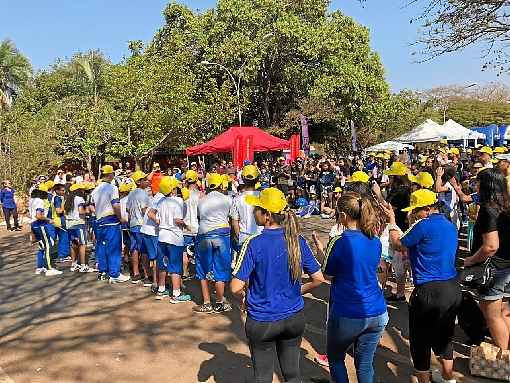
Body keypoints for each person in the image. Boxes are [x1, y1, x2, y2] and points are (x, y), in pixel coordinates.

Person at [231, 187, 324, 383]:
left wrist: (246, 296)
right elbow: (318, 279)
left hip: (263, 320)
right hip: (294, 318)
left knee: (263, 377)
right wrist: (298, 292)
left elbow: (235, 287)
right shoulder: (297, 240)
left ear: (267, 215)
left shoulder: (253, 243)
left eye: (256, 208)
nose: (253, 211)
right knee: (292, 374)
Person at [383, 189, 461, 383]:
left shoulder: (423, 226)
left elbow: (397, 244)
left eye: (416, 210)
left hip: (428, 291)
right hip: (452, 288)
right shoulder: (450, 225)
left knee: (420, 342)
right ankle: (448, 378)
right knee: (445, 336)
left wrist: (392, 221)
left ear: (426, 209)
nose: (413, 214)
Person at [322, 193, 387, 383]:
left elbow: (327, 274)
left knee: (335, 359)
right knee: (365, 363)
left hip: (347, 312)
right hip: (377, 311)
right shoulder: (374, 240)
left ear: (343, 215)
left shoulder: (339, 241)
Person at [464, 168, 510, 351]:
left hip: (494, 270)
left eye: (478, 182)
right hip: (506, 268)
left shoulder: (489, 209)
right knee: (504, 314)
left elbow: (491, 246)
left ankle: (505, 359)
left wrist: (471, 260)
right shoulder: (506, 206)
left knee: (493, 316)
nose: (475, 185)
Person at [193, 173, 233, 314]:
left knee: (203, 269)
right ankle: (220, 302)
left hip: (204, 234)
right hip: (222, 234)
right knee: (220, 269)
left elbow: (199, 216)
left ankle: (206, 303)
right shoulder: (227, 199)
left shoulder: (202, 200)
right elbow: (231, 216)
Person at [154, 176, 192, 303]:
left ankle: (161, 289)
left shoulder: (160, 202)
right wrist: (186, 225)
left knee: (163, 264)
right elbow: (177, 220)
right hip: (174, 238)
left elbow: (158, 219)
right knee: (175, 266)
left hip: (162, 237)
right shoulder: (177, 201)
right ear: (172, 189)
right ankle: (176, 294)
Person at [91, 165, 129, 283]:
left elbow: (92, 206)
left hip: (99, 221)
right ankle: (114, 273)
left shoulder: (95, 189)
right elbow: (116, 205)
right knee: (114, 247)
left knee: (102, 247)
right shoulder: (112, 188)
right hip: (111, 220)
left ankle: (103, 272)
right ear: (110, 175)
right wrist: (121, 218)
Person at [30, 183, 62, 276]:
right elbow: (39, 215)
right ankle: (49, 268)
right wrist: (49, 220)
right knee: (48, 245)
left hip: (34, 224)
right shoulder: (40, 201)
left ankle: (40, 267)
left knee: (41, 247)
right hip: (41, 225)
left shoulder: (32, 200)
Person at [230, 164, 263, 254]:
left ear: (243, 179)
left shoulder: (237, 199)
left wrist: (239, 237)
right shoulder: (262, 197)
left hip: (244, 237)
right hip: (261, 236)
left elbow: (234, 222)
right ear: (257, 179)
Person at [126, 170, 151, 283]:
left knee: (134, 249)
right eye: (145, 180)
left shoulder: (131, 193)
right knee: (144, 250)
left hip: (133, 224)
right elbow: (144, 209)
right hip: (141, 225)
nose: (147, 181)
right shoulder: (142, 193)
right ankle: (146, 275)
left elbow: (127, 209)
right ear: (139, 182)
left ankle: (136, 273)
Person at [65, 183, 94, 272]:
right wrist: (88, 211)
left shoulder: (69, 199)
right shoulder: (79, 199)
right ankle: (83, 265)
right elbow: (81, 211)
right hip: (78, 223)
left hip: (69, 224)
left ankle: (74, 264)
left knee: (73, 244)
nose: (83, 191)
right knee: (82, 244)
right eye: (82, 190)